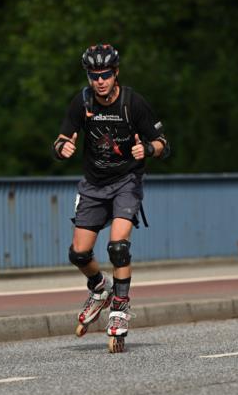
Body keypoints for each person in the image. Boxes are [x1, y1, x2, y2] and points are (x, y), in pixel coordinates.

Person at [52, 43, 170, 352]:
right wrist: (61, 148)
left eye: (105, 74)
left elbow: (163, 143)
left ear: (115, 73)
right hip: (93, 185)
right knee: (78, 254)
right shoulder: (83, 101)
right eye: (94, 75)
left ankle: (120, 307)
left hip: (125, 183)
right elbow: (63, 137)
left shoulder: (134, 103)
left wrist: (148, 148)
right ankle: (99, 287)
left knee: (118, 247)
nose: (100, 81)